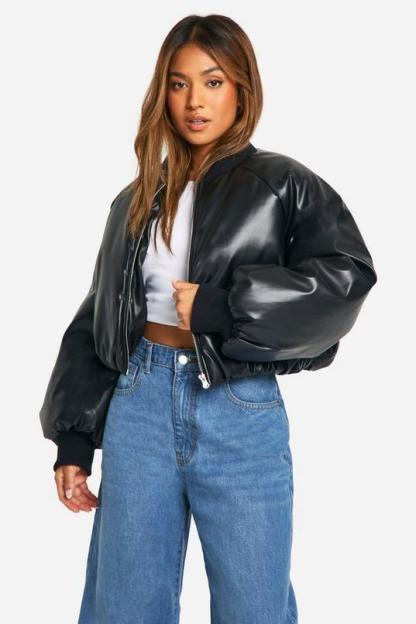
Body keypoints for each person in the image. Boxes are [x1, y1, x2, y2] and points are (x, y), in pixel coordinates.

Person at [39, 13, 377, 624]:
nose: (195, 100)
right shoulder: (137, 199)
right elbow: (100, 317)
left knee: (254, 607)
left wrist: (226, 306)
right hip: (138, 407)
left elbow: (346, 277)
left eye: (213, 82)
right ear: (162, 93)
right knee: (124, 606)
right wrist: (74, 438)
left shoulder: (281, 184)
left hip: (238, 407)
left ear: (242, 89)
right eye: (179, 83)